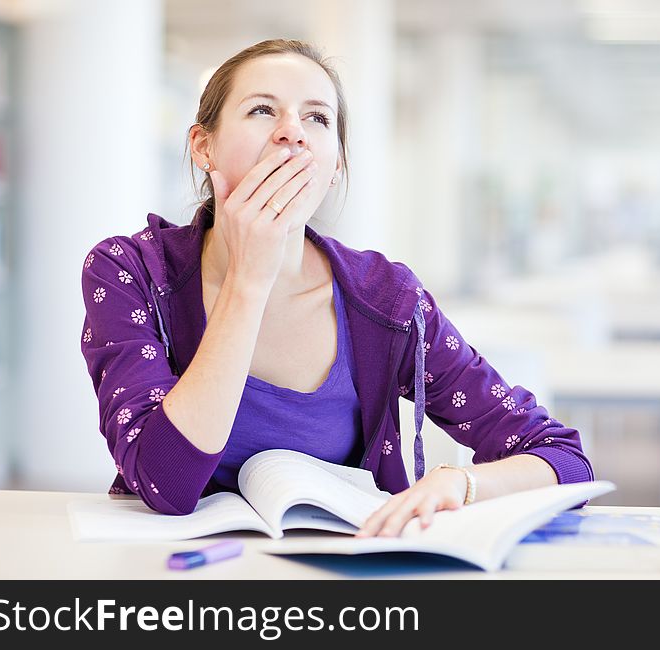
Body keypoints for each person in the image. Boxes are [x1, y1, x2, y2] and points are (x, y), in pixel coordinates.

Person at [79, 39, 593, 538]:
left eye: (317, 118)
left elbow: (564, 461)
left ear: (336, 165)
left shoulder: (387, 299)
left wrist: (462, 482)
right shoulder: (131, 272)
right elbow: (165, 483)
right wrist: (249, 281)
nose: (292, 133)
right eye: (262, 110)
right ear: (203, 146)